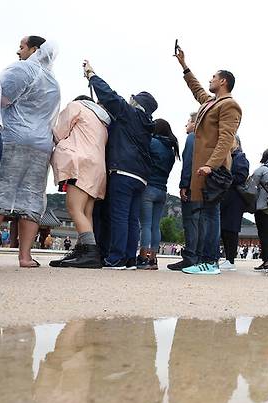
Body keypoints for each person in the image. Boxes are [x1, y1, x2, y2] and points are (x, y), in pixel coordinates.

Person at [83, 60, 158, 270]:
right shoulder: (147, 125)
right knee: (132, 220)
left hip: (123, 172)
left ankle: (115, 258)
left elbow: (109, 95)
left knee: (118, 216)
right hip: (140, 177)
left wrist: (92, 75)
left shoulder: (130, 114)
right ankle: (129, 258)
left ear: (137, 104)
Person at [174, 45, 242, 276]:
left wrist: (210, 165)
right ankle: (204, 260)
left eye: (213, 77)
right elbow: (197, 89)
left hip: (213, 169)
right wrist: (184, 65)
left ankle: (210, 262)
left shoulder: (229, 105)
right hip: (204, 168)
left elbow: (226, 140)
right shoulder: (211, 102)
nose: (209, 80)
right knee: (204, 214)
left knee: (210, 214)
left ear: (223, 81)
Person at [0, 36, 61, 268]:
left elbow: (3, 97)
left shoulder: (23, 69)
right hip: (41, 144)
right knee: (32, 197)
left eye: (22, 46)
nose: (18, 51)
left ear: (35, 50)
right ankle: (25, 257)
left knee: (2, 191)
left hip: (14, 138)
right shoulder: (54, 82)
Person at [48, 95, 111, 268]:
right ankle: (83, 249)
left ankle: (90, 251)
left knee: (74, 208)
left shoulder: (76, 106)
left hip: (79, 164)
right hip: (98, 169)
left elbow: (59, 132)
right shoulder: (102, 122)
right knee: (86, 212)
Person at [137, 118, 179, 270]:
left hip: (148, 188)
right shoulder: (171, 149)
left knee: (145, 225)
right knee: (155, 226)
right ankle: (153, 259)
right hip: (163, 190)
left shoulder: (152, 142)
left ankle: (142, 257)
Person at [168, 113, 199, 270]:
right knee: (200, 222)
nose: (186, 124)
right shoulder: (207, 139)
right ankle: (199, 256)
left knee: (190, 222)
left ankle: (190, 257)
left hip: (193, 185)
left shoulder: (192, 137)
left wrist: (184, 184)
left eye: (188, 121)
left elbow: (188, 162)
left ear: (195, 122)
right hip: (205, 187)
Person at [219, 136, 249, 271]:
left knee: (231, 229)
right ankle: (227, 258)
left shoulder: (240, 157)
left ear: (236, 143)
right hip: (226, 197)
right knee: (225, 229)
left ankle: (230, 259)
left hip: (235, 198)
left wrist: (226, 178)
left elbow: (242, 176)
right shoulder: (229, 156)